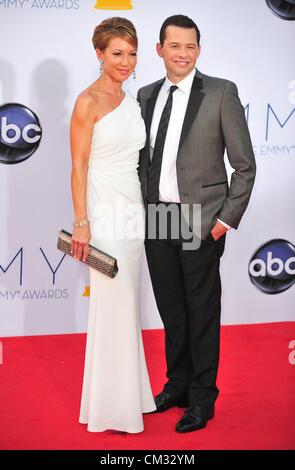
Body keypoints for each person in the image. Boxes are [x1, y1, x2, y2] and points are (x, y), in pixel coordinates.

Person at [137, 15, 256, 433]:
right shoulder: (145, 95)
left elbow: (244, 166)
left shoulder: (221, 93)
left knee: (201, 312)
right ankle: (178, 385)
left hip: (200, 219)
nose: (183, 54)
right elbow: (143, 161)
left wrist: (224, 220)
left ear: (199, 50)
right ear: (160, 50)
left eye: (190, 46)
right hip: (158, 217)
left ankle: (203, 399)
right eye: (175, 46)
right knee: (172, 312)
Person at [70, 17, 156, 434]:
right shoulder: (88, 101)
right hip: (103, 215)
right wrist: (82, 224)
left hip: (132, 212)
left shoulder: (132, 100)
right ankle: (112, 408)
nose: (125, 61)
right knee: (113, 303)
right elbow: (78, 167)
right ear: (99, 54)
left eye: (132, 53)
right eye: (117, 53)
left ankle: (131, 396)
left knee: (127, 306)